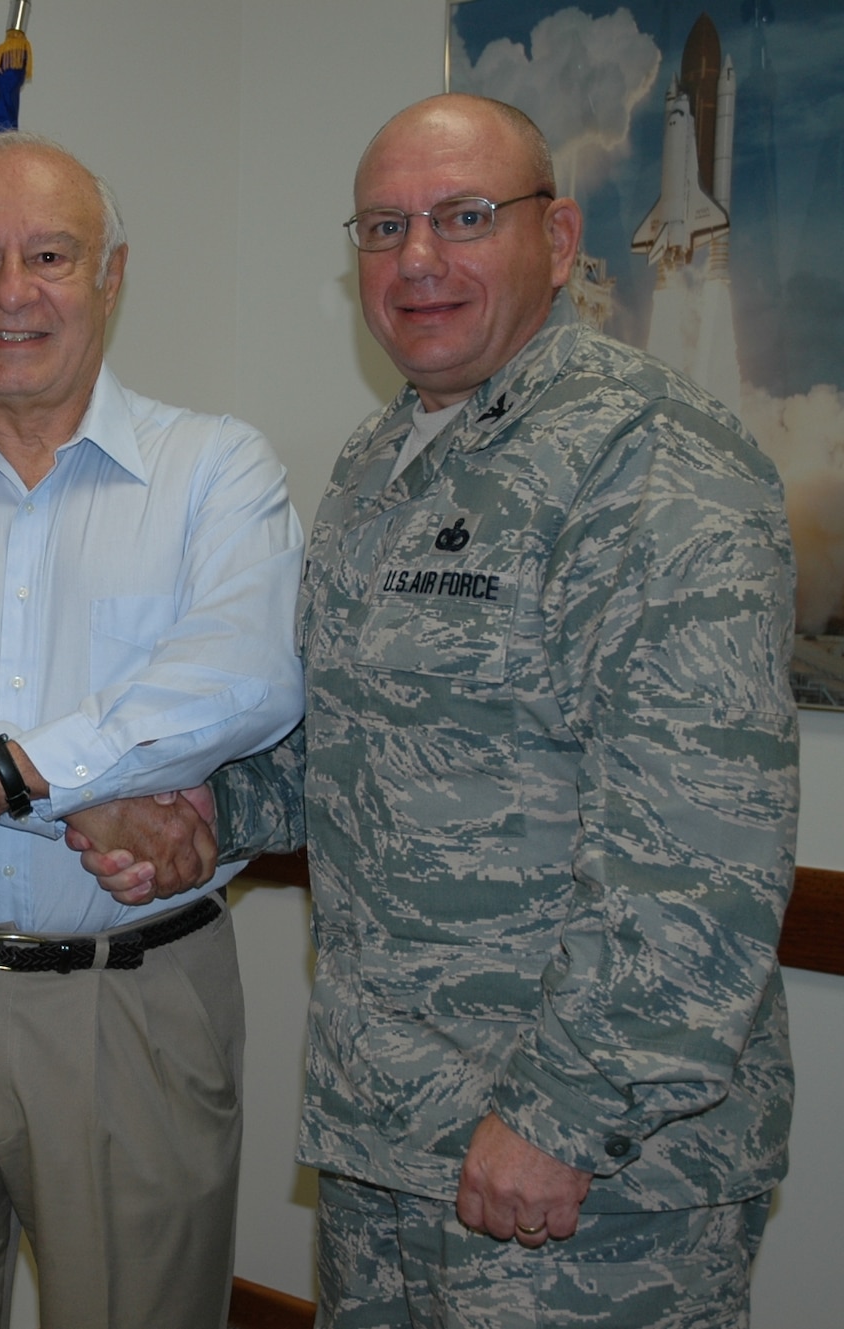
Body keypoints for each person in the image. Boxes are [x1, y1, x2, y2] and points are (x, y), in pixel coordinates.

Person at [209, 93, 799, 1327]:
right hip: (392, 1139)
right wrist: (189, 812)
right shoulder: (379, 462)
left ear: (561, 237)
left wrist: (559, 1117)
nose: (416, 258)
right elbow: (347, 750)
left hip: (584, 1180)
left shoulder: (650, 456)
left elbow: (698, 844)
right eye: (382, 227)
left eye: (463, 217)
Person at [0, 130, 305, 1329]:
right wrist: (84, 794)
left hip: (133, 1005)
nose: (10, 291)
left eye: (48, 253)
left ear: (112, 274)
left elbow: (240, 681)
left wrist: (1, 779)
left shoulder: (215, 470)